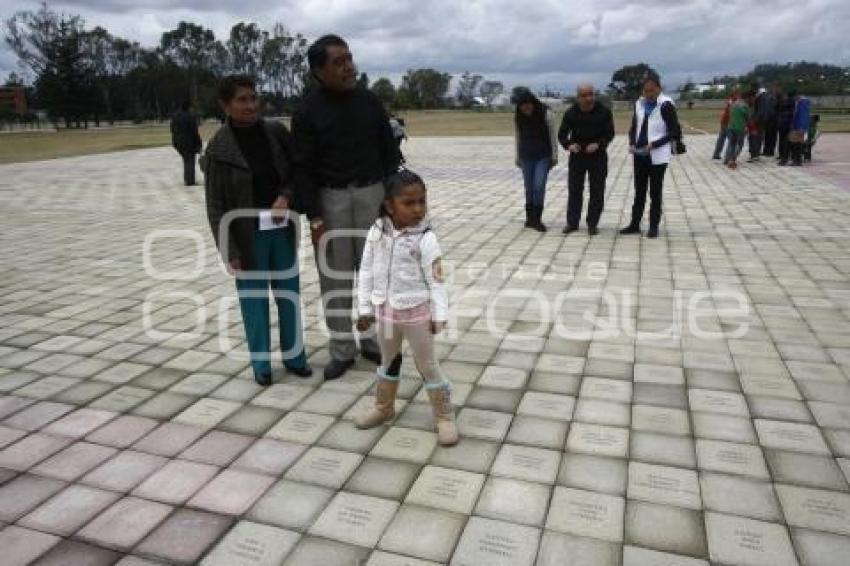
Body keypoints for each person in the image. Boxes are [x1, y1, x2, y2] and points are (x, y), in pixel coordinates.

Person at [292, 35, 403, 381]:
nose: (349, 66)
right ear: (318, 71)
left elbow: (388, 153)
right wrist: (314, 217)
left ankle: (372, 341)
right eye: (338, 62)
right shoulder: (307, 111)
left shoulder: (370, 102)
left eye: (350, 58)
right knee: (335, 279)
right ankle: (342, 349)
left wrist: (391, 202)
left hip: (373, 196)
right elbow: (302, 168)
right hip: (331, 200)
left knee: (375, 274)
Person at [201, 75, 312, 386]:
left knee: (289, 296)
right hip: (246, 237)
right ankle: (261, 364)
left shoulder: (275, 132)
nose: (251, 105)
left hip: (281, 230)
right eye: (242, 100)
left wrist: (286, 196)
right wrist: (228, 250)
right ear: (225, 105)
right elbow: (215, 205)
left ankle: (295, 357)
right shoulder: (218, 148)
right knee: (254, 303)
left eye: (253, 98)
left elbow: (296, 172)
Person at [354, 169, 457, 445]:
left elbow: (436, 280)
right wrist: (364, 307)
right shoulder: (376, 233)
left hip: (417, 314)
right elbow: (365, 271)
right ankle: (383, 407)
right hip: (385, 313)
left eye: (422, 201)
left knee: (428, 365)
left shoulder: (426, 238)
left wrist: (440, 314)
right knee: (388, 361)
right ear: (390, 205)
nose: (418, 209)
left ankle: (444, 416)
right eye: (409, 203)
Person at [620, 75, 682, 239]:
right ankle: (634, 223)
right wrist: (632, 142)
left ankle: (653, 226)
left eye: (652, 90)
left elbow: (674, 132)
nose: (648, 94)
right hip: (640, 154)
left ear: (659, 89)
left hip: (658, 156)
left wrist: (654, 144)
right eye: (646, 91)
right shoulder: (639, 104)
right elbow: (634, 127)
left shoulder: (666, 105)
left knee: (655, 191)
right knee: (639, 191)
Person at [557, 83, 615, 235]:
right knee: (575, 190)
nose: (589, 98)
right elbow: (562, 135)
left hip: (598, 156)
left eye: (591, 94)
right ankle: (572, 223)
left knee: (597, 191)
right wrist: (569, 145)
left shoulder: (604, 112)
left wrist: (599, 144)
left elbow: (610, 133)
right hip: (577, 156)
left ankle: (592, 223)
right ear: (578, 97)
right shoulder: (571, 113)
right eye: (584, 95)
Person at [513, 89, 558, 232]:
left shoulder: (546, 114)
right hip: (526, 156)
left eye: (528, 104)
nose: (525, 108)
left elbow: (553, 135)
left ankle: (537, 219)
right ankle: (529, 219)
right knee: (529, 188)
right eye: (522, 106)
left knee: (539, 186)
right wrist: (517, 155)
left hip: (543, 156)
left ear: (533, 102)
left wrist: (555, 155)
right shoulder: (518, 116)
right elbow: (517, 136)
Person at [170, 100, 202, 185]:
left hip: (177, 142)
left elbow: (172, 129)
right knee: (190, 161)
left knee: (186, 160)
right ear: (188, 107)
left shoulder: (175, 116)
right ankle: (190, 180)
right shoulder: (190, 116)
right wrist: (199, 143)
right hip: (188, 142)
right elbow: (194, 131)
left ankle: (188, 179)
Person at [725, 92, 752, 170]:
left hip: (731, 126)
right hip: (740, 128)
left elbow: (730, 113)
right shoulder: (745, 106)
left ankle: (728, 159)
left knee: (732, 144)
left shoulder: (733, 104)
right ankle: (732, 160)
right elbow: (748, 117)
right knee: (739, 145)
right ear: (747, 98)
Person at [712, 92, 737, 160]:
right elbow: (732, 114)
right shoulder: (732, 103)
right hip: (728, 123)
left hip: (724, 122)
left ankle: (716, 154)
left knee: (721, 139)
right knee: (731, 140)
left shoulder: (730, 102)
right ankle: (728, 157)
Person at [789, 93, 811, 167]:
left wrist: (801, 127)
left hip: (799, 127)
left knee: (796, 144)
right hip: (797, 127)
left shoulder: (802, 104)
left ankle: (797, 160)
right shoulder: (802, 103)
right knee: (796, 144)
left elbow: (803, 116)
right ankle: (797, 160)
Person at [776, 89, 796, 166]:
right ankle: (787, 158)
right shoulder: (793, 102)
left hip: (781, 124)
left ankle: (782, 157)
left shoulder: (782, 102)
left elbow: (776, 108)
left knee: (782, 141)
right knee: (788, 142)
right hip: (789, 125)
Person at [761, 85, 779, 157]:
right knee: (769, 136)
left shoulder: (772, 98)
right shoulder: (770, 98)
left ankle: (769, 151)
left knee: (770, 136)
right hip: (770, 119)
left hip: (772, 119)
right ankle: (767, 151)